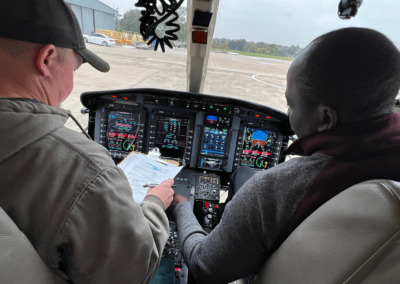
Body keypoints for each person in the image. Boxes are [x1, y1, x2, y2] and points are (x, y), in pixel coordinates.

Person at [171, 27, 400, 284]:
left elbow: (204, 266)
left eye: (291, 104)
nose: (289, 114)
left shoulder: (272, 190)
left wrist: (181, 206)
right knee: (245, 172)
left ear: (325, 118)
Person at [0, 1, 174, 283]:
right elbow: (134, 271)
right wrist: (154, 203)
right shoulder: (85, 172)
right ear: (46, 59)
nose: (70, 81)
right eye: (74, 69)